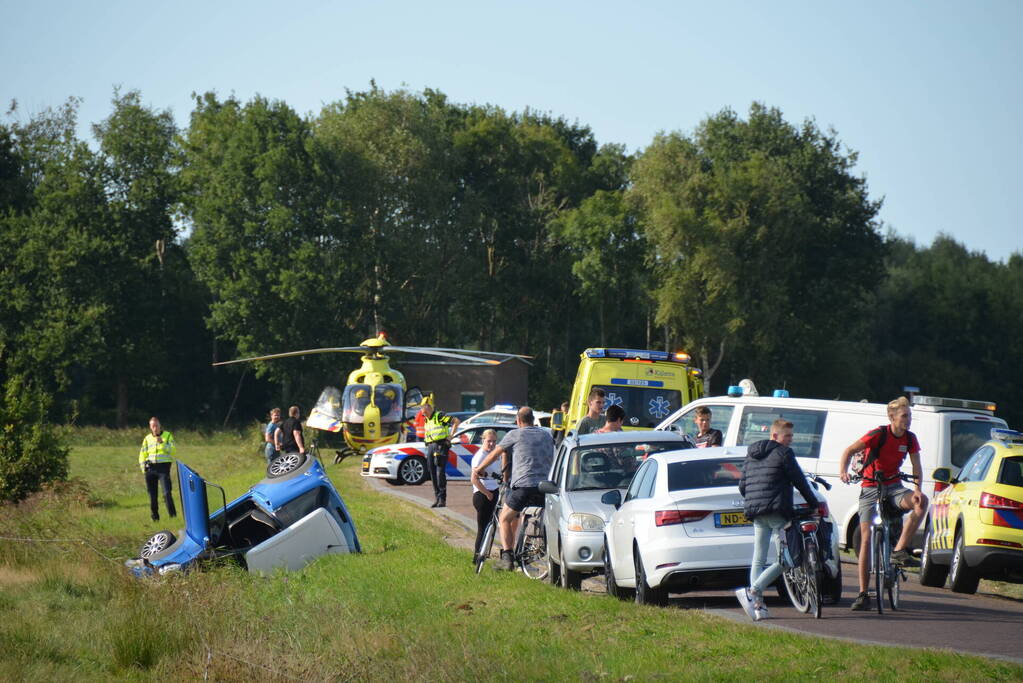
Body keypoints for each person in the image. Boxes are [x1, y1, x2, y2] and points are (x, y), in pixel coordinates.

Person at [839, 396, 929, 611]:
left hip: (895, 486)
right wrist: (843, 471)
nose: (908, 420)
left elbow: (917, 466)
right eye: (904, 416)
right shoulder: (878, 434)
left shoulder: (910, 438)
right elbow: (849, 450)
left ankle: (898, 550)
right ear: (892, 417)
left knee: (921, 502)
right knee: (866, 538)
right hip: (870, 487)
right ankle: (863, 594)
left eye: (909, 416)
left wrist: (917, 489)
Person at [735, 419, 818, 621]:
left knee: (759, 558)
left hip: (756, 511)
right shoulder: (784, 453)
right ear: (775, 436)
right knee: (788, 558)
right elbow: (800, 480)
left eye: (791, 435)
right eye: (787, 436)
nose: (790, 440)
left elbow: (742, 486)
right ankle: (753, 591)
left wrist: (756, 499)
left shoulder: (751, 454)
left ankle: (757, 606)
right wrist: (813, 503)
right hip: (777, 511)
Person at [472, 407, 554, 571]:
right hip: (545, 486)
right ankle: (527, 556)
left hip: (523, 485)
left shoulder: (515, 434)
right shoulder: (546, 435)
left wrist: (479, 468)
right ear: (533, 419)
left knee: (504, 518)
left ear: (518, 421)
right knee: (535, 518)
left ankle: (507, 558)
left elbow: (495, 454)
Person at [470, 429, 503, 564]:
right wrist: (486, 493)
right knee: (483, 527)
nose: (491, 444)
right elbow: (474, 479)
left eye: (494, 442)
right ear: (483, 440)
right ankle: (477, 557)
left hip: (494, 491)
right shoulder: (480, 456)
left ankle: (484, 554)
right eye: (489, 441)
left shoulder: (494, 454)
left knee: (491, 526)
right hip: (482, 495)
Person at [421, 396, 460, 507]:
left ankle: (442, 499)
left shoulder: (439, 416)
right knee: (432, 473)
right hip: (431, 446)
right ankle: (437, 498)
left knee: (439, 473)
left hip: (440, 446)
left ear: (427, 407)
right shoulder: (426, 419)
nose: (421, 411)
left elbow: (456, 421)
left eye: (422, 408)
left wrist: (450, 437)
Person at [138, 416, 177, 522]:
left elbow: (173, 451)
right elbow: (142, 454)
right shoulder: (147, 439)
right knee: (152, 496)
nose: (155, 428)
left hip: (163, 468)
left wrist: (162, 444)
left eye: (156, 425)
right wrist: (143, 468)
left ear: (160, 425)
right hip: (150, 469)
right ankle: (155, 518)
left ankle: (173, 517)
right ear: (150, 427)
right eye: (153, 426)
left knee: (167, 493)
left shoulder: (167, 436)